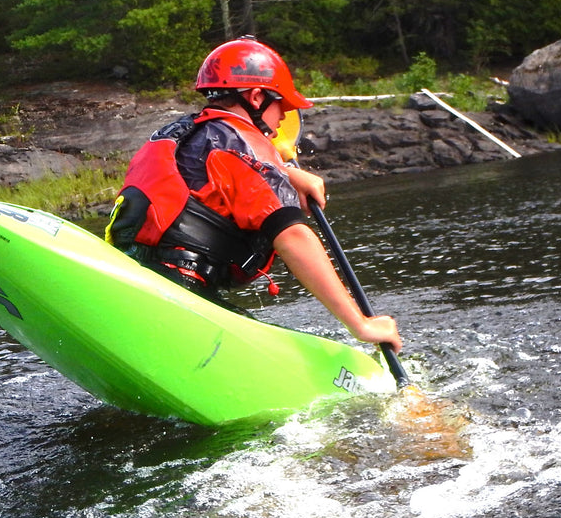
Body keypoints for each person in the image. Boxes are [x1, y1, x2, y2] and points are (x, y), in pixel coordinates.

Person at [107, 36, 401, 353]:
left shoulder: (183, 132)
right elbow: (293, 238)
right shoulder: (247, 144)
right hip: (181, 290)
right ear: (257, 97)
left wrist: (286, 174)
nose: (283, 118)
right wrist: (361, 324)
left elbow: (206, 174)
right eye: (282, 106)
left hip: (134, 274)